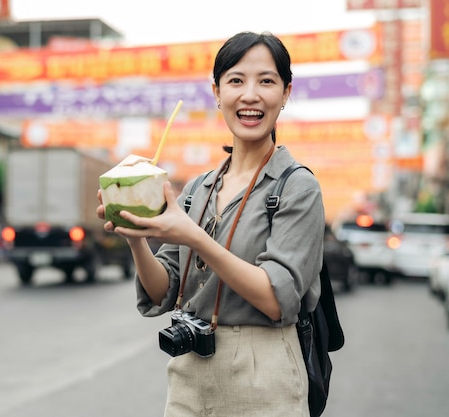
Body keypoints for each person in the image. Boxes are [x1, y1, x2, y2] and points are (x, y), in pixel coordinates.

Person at [97, 31, 325, 417]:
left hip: (264, 372)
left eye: (266, 81)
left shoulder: (297, 187)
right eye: (236, 80)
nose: (250, 95)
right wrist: (135, 238)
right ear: (217, 92)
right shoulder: (196, 189)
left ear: (285, 93)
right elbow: (163, 292)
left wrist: (194, 236)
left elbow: (276, 300)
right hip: (190, 374)